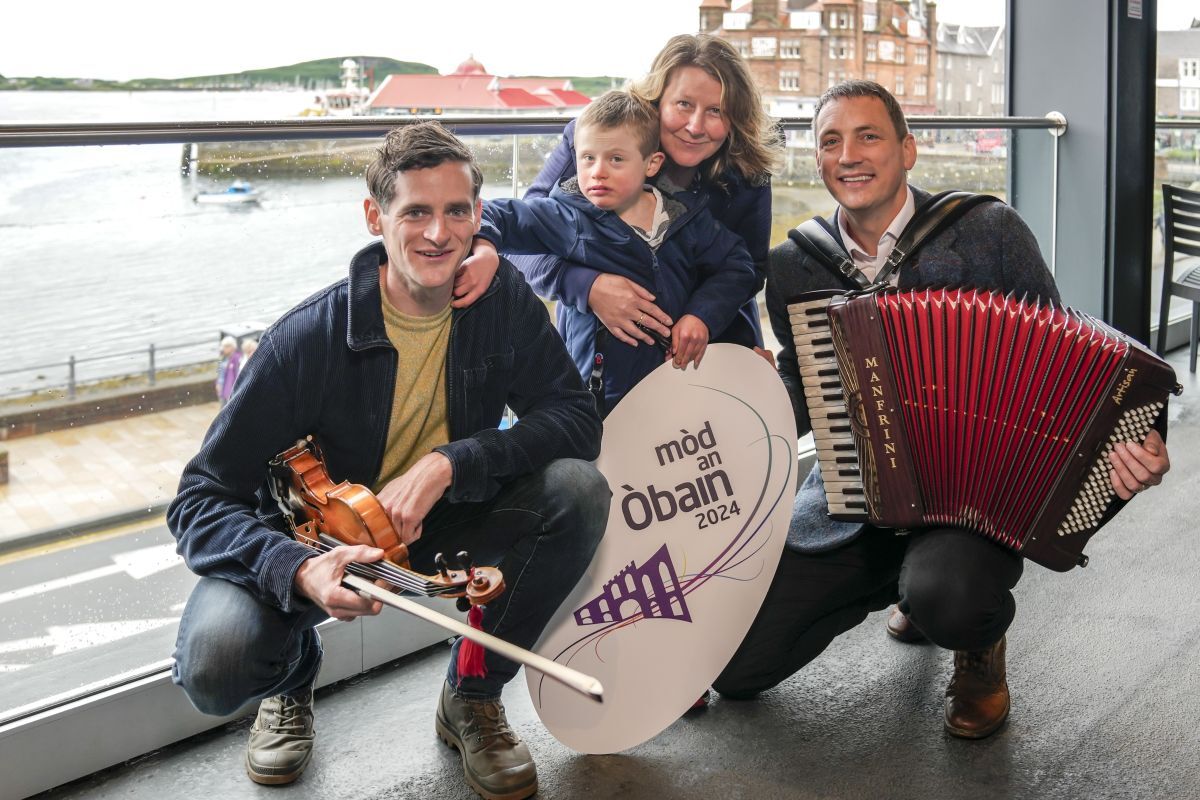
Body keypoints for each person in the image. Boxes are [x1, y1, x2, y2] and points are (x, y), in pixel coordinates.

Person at [713, 80, 1172, 739]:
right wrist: (749, 401)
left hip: (970, 506)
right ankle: (901, 586)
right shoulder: (794, 266)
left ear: (908, 149)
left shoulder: (988, 231)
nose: (849, 154)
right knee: (736, 670)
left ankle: (974, 644)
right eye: (830, 142)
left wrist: (1135, 441)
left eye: (868, 135)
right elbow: (801, 392)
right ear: (817, 160)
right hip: (856, 501)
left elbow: (1072, 350)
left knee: (948, 596)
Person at [168, 121, 610, 800]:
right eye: (417, 213)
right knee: (215, 663)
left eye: (457, 211)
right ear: (375, 216)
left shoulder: (501, 301)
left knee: (579, 492)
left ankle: (472, 693)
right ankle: (290, 680)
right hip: (318, 545)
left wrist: (450, 463)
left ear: (478, 217)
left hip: (443, 525)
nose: (439, 234)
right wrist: (298, 569)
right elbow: (199, 500)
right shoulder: (304, 340)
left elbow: (576, 420)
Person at [453, 34, 781, 359]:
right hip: (603, 355)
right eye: (684, 104)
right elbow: (527, 235)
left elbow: (749, 268)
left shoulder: (747, 165)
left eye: (716, 111)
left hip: (710, 343)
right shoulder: (600, 140)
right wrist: (588, 287)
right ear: (657, 99)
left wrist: (699, 318)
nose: (696, 126)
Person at [475, 90, 758, 412]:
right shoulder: (567, 217)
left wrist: (700, 316)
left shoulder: (687, 219)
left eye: (616, 159)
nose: (598, 171)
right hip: (598, 400)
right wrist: (484, 247)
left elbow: (739, 266)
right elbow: (493, 214)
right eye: (588, 158)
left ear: (652, 164)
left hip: (677, 391)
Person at [214, 335, 241, 406]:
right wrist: (217, 383)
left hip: (230, 390)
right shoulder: (222, 357)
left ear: (232, 347)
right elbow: (219, 371)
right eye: (223, 346)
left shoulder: (236, 358)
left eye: (226, 346)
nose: (223, 349)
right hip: (222, 389)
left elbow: (237, 374)